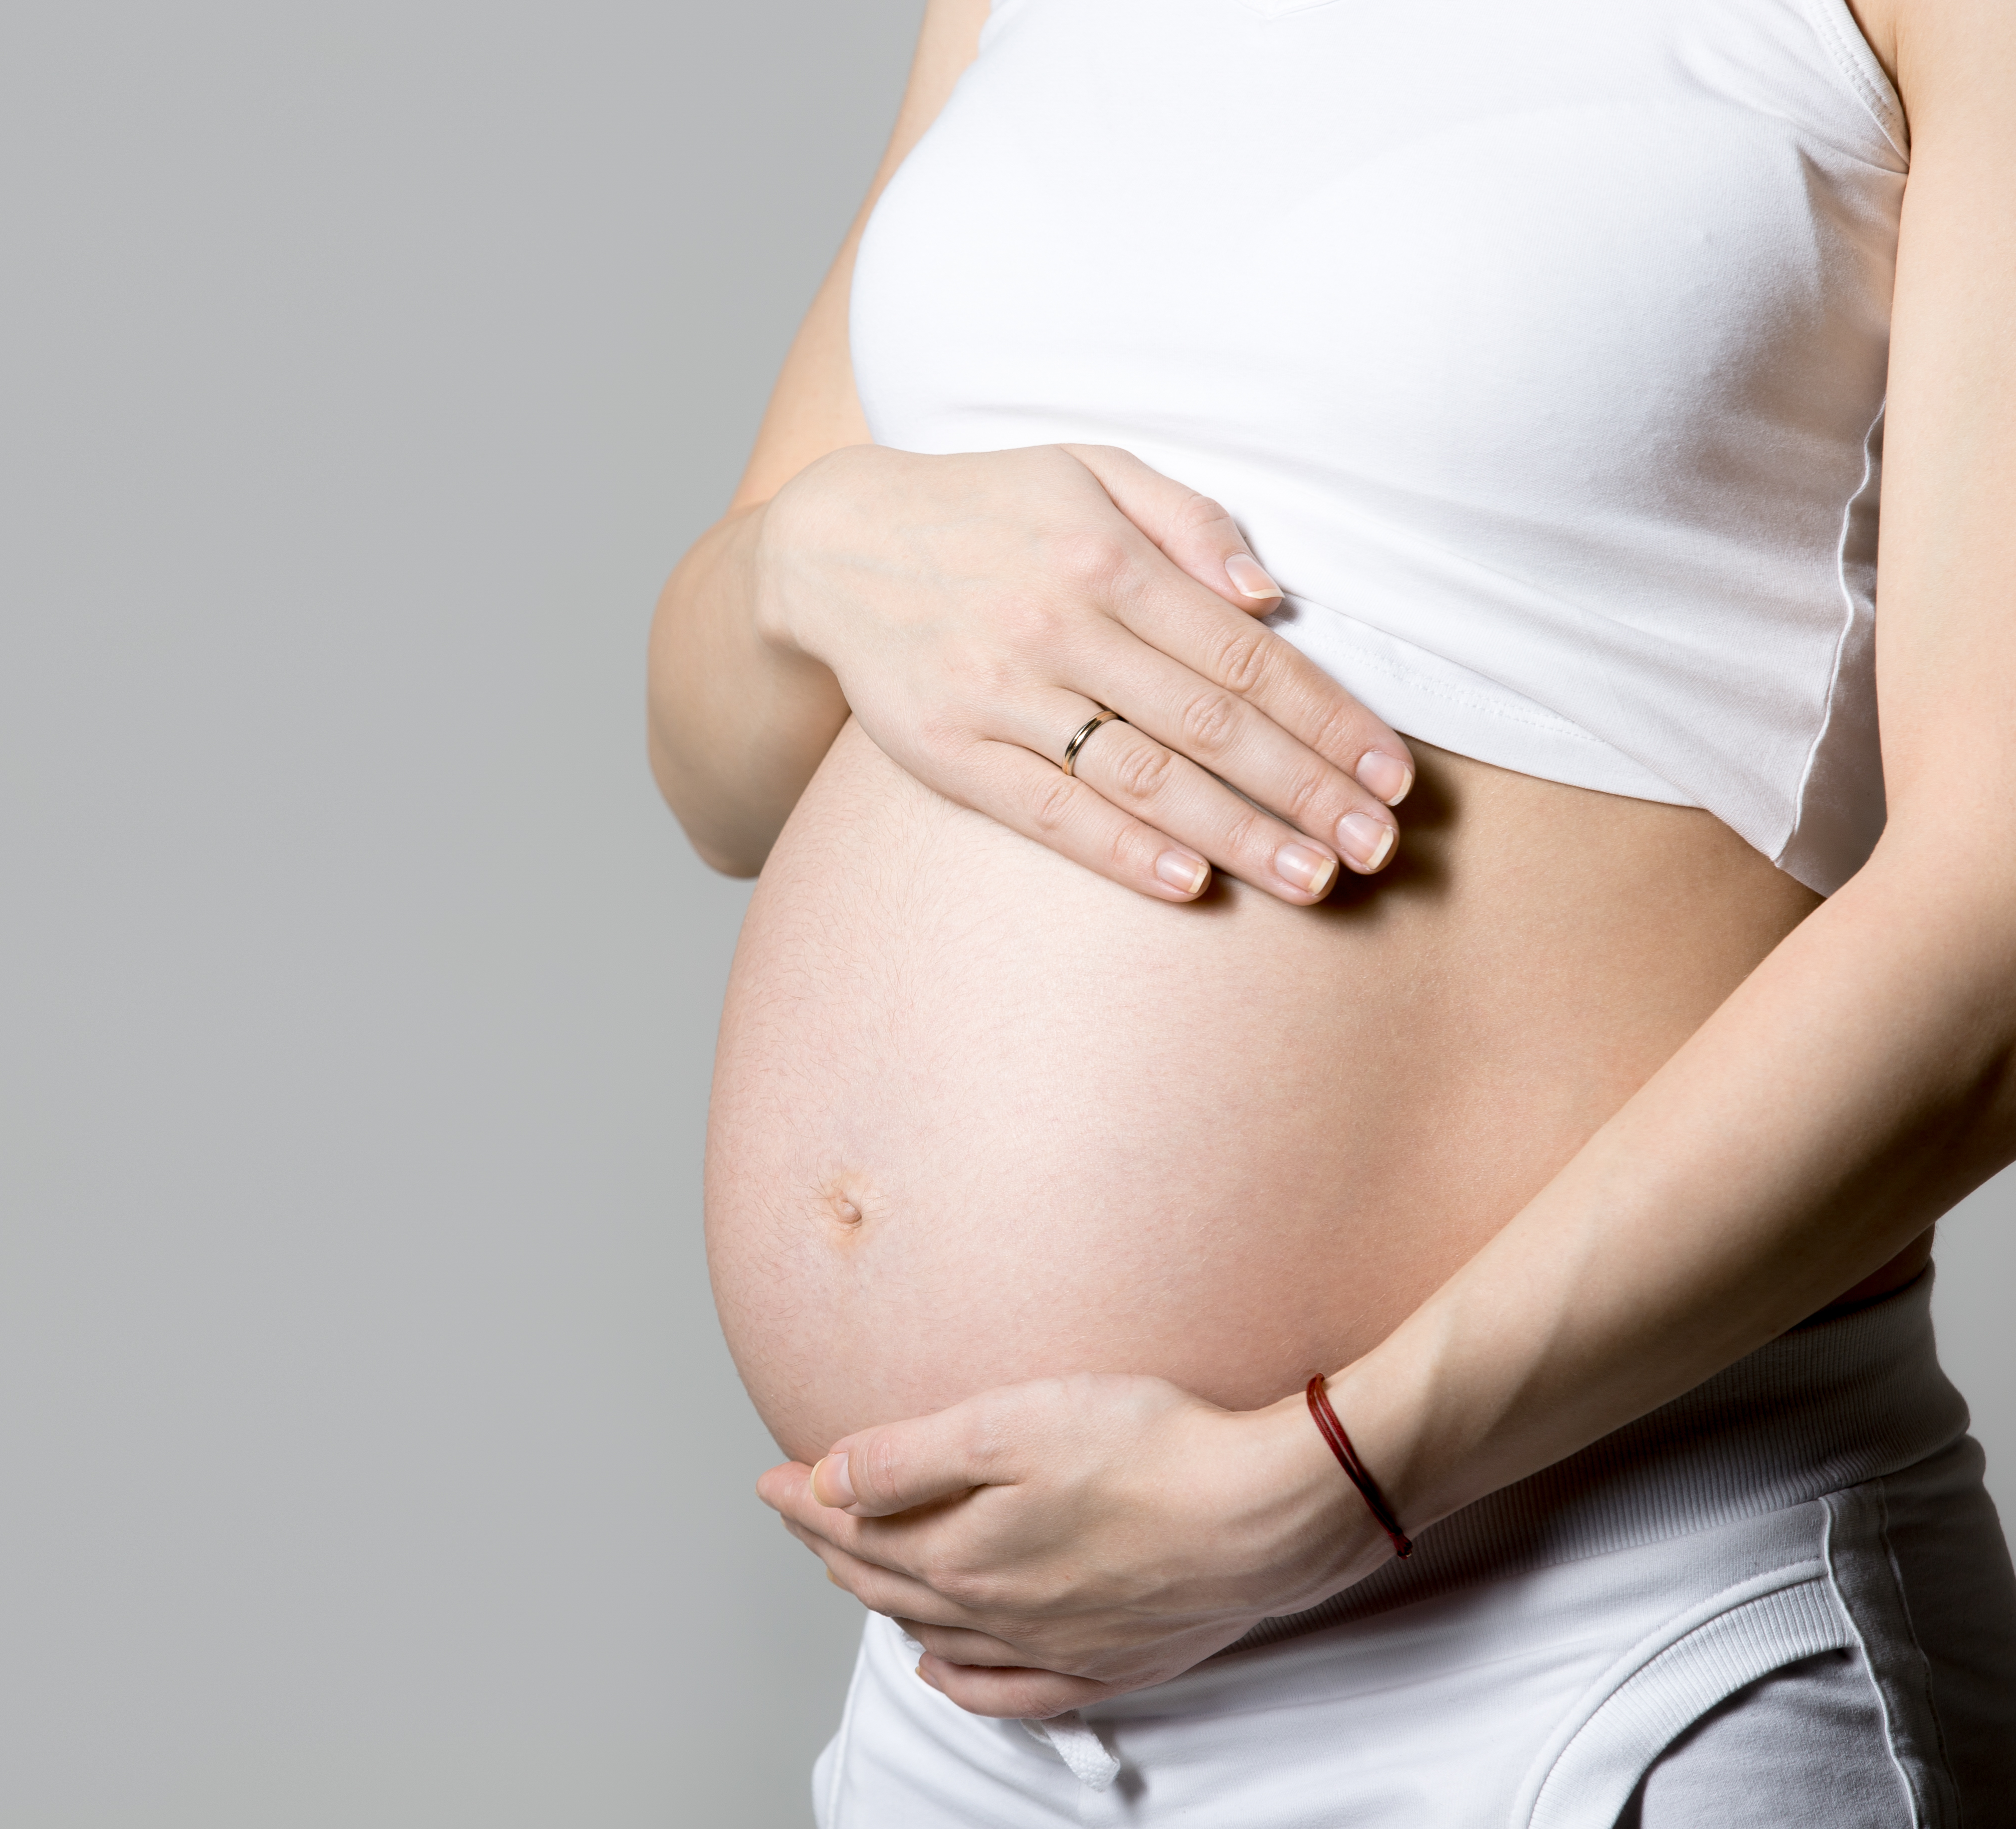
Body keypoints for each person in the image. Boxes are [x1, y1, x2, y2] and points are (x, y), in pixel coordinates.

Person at [646, 0, 2016, 1820]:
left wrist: (1336, 1476)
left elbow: (1999, 898)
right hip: (980, 1722)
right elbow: (719, 775)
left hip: (1600, 1654)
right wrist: (807, 557)